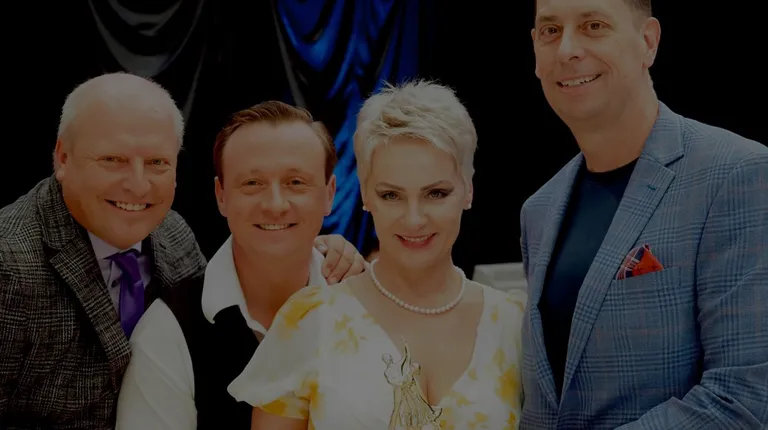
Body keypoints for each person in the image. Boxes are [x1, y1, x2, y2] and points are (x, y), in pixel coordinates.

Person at [0, 73, 364, 429]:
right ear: (63, 158)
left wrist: (312, 249)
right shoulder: (9, 263)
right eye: (113, 159)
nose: (138, 185)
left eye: (156, 162)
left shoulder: (171, 233)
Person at [520, 0, 768, 428]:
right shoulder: (538, 210)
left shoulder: (736, 173)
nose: (567, 49)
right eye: (550, 31)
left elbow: (743, 399)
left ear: (648, 42)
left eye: (593, 25)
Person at [228, 80, 528, 430]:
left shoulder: (514, 325)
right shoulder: (310, 320)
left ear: (468, 190)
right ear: (366, 196)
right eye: (391, 195)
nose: (414, 219)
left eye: (435, 193)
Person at [115, 101, 363, 429]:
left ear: (330, 194)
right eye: (252, 183)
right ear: (221, 196)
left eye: (296, 182)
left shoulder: (368, 304)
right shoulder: (167, 332)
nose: (275, 205)